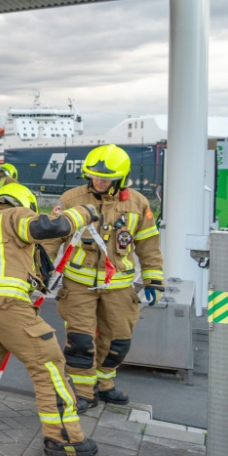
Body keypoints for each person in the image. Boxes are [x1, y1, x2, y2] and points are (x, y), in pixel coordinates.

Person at [0, 183, 100, 456]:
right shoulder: (13, 215)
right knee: (48, 362)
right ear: (24, 204)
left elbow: (8, 262)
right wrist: (83, 213)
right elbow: (46, 229)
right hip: (6, 303)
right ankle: (64, 437)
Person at [42, 144, 163, 409]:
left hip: (119, 288)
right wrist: (40, 271)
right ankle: (84, 393)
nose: (98, 180)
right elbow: (51, 239)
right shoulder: (71, 199)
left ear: (120, 178)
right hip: (78, 286)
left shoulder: (138, 204)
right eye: (94, 175)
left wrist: (153, 279)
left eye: (105, 177)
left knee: (118, 341)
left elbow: (148, 244)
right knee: (81, 342)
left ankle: (105, 384)